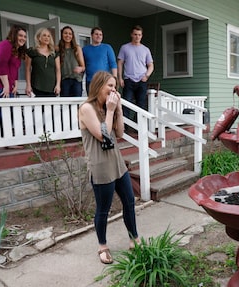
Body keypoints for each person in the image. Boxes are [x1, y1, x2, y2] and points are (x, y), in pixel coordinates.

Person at [78, 71, 140, 264]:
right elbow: (103, 137)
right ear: (98, 86)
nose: (114, 90)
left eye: (115, 86)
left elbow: (119, 133)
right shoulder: (87, 108)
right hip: (101, 166)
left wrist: (118, 109)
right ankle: (102, 246)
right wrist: (111, 111)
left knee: (129, 201)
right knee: (103, 209)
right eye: (110, 86)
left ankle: (134, 239)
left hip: (117, 162)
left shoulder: (108, 108)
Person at [117, 25, 154, 120]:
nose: (137, 37)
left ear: (141, 36)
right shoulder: (125, 48)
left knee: (141, 104)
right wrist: (120, 78)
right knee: (127, 103)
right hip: (128, 79)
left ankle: (138, 126)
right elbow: (120, 63)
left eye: (139, 35)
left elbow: (151, 65)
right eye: (135, 34)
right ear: (131, 35)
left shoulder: (146, 49)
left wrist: (147, 76)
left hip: (142, 80)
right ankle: (125, 126)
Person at [25, 27, 61, 97]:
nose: (47, 38)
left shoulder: (54, 52)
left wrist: (58, 85)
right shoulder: (32, 51)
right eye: (44, 35)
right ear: (39, 37)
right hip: (37, 86)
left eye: (48, 36)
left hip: (52, 87)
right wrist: (28, 85)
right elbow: (27, 69)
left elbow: (58, 70)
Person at [82, 27, 117, 94]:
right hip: (90, 81)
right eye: (96, 34)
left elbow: (113, 64)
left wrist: (115, 79)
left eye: (100, 34)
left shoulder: (107, 47)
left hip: (104, 80)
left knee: (104, 101)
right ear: (92, 35)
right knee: (92, 102)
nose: (99, 36)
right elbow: (83, 65)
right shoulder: (85, 49)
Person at [57, 26, 85, 97]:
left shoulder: (77, 48)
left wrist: (80, 68)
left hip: (76, 80)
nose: (68, 35)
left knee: (76, 104)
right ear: (62, 35)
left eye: (70, 34)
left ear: (72, 36)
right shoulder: (58, 49)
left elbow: (83, 66)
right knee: (65, 104)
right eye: (65, 33)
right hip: (64, 80)